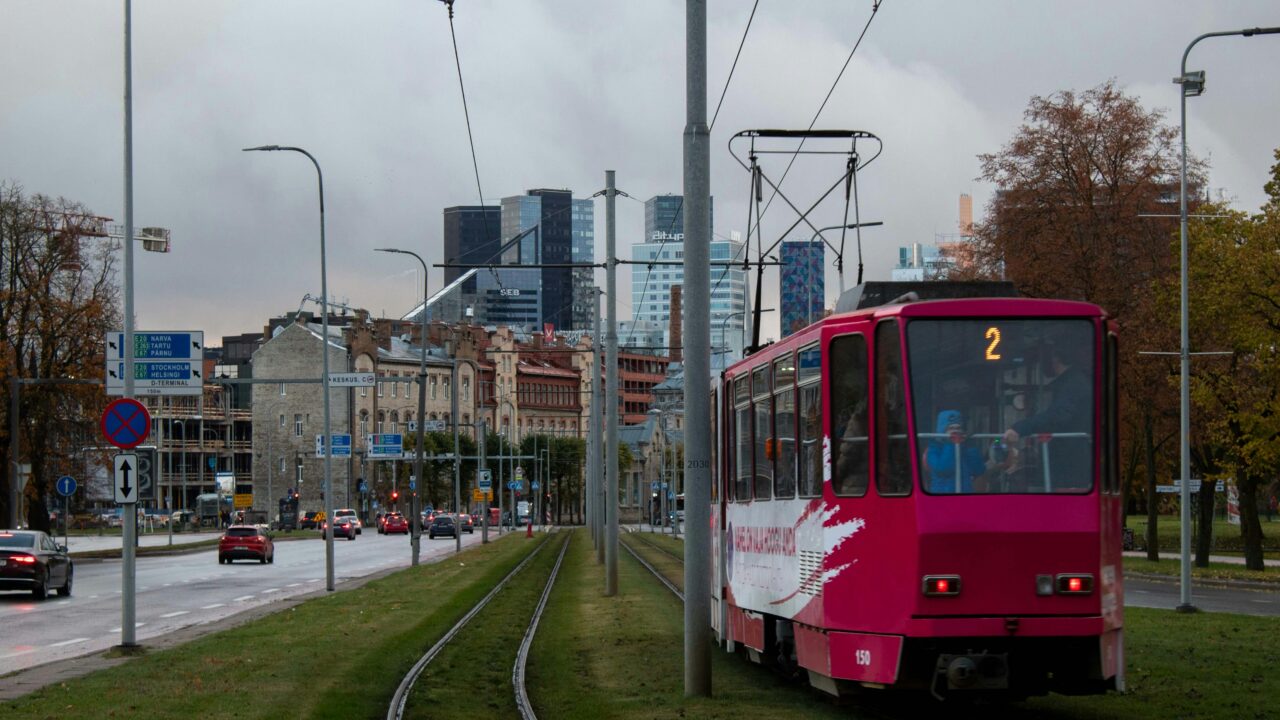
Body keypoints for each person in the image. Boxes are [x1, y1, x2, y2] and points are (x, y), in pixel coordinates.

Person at [1004, 340, 1091, 489]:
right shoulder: (1074, 381)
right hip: (1069, 461)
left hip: (1068, 464)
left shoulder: (1073, 384)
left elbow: (1058, 416)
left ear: (1055, 358)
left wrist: (1020, 428)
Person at [924, 410, 1002, 493]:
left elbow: (978, 470)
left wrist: (971, 447)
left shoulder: (965, 447)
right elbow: (944, 469)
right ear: (942, 431)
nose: (955, 431)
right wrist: (951, 444)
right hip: (943, 496)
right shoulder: (933, 449)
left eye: (958, 428)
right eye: (951, 428)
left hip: (965, 495)